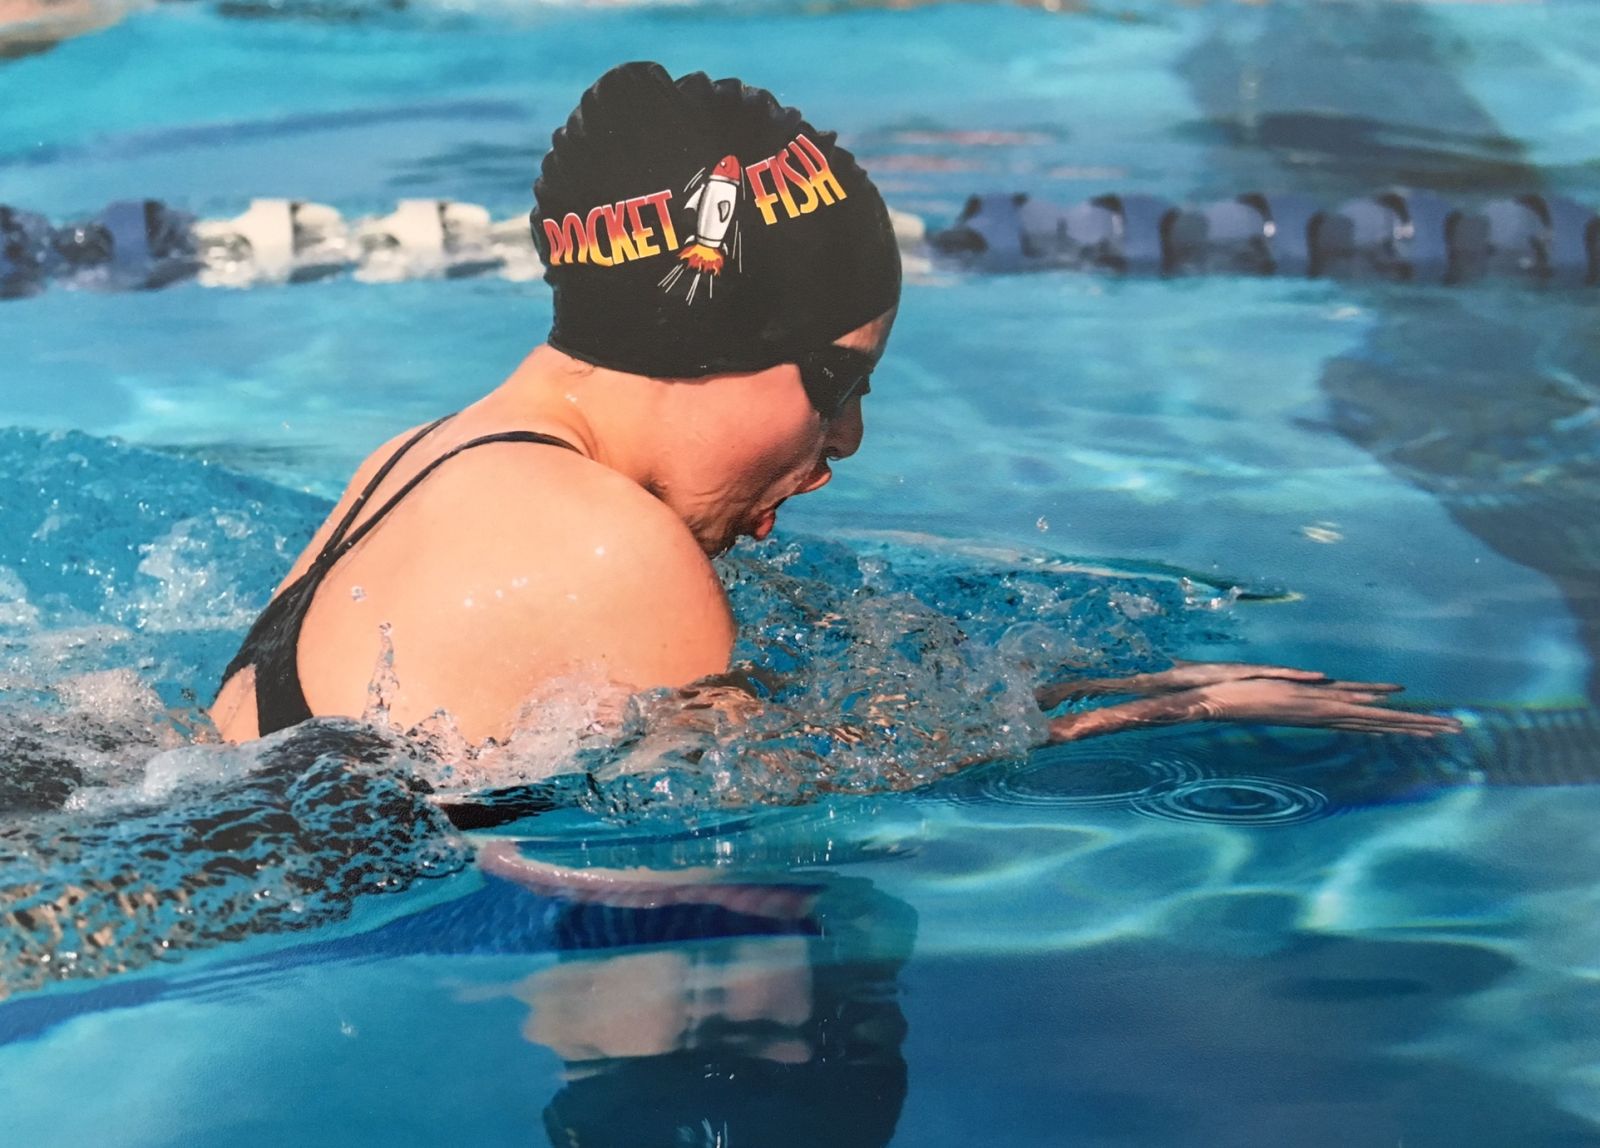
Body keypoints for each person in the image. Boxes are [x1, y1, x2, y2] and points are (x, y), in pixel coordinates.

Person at [211, 61, 1460, 751]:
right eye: (835, 383)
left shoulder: (430, 454)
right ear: (700, 335)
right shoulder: (608, 546)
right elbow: (754, 815)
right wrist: (1161, 713)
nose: (847, 439)